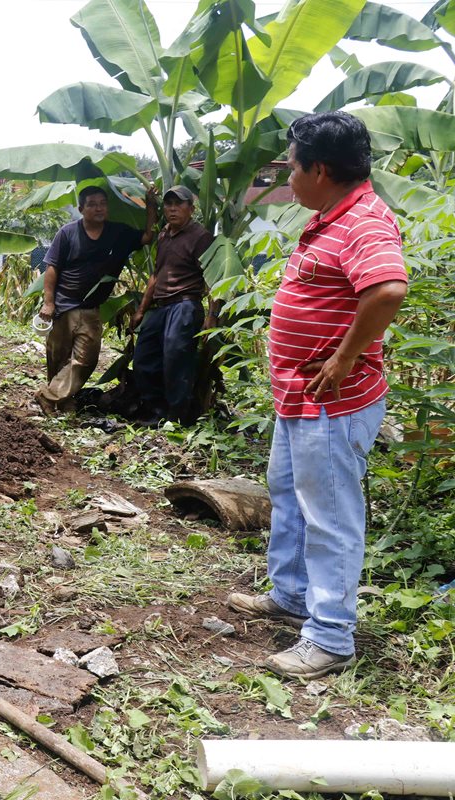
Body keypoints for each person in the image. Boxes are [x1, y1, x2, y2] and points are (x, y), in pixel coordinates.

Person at [227, 112, 407, 678]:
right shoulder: (334, 214)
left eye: (293, 166)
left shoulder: (364, 223)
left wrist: (346, 355)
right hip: (301, 398)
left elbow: (387, 290)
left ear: (320, 169)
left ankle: (329, 635)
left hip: (335, 401)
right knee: (289, 495)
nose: (288, 177)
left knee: (329, 516)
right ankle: (292, 595)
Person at [34, 185, 157, 416]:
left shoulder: (118, 233)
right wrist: (48, 303)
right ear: (81, 209)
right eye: (92, 204)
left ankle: (47, 396)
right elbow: (52, 269)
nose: (98, 208)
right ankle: (63, 401)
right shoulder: (68, 233)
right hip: (63, 306)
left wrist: (150, 205)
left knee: (86, 359)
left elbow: (148, 237)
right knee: (58, 357)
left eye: (102, 203)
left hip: (91, 309)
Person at [130, 186, 218, 425]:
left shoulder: (200, 237)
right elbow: (155, 276)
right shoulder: (164, 235)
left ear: (191, 208)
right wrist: (141, 310)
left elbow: (213, 277)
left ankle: (177, 417)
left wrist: (212, 315)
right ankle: (156, 412)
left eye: (178, 204)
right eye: (168, 204)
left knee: (175, 361)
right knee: (144, 358)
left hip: (185, 305)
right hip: (162, 307)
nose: (172, 209)